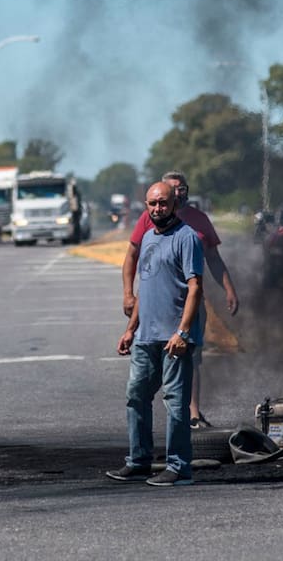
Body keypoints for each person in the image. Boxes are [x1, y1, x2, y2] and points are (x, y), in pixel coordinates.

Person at [122, 170, 238, 429]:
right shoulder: (148, 224)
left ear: (182, 194)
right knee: (140, 388)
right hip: (152, 315)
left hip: (187, 307)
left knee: (190, 359)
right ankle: (142, 453)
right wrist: (129, 297)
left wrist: (229, 289)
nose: (175, 193)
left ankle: (193, 415)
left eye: (180, 188)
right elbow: (136, 261)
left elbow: (212, 262)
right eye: (155, 201)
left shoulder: (195, 226)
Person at [108, 181, 203, 487]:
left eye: (162, 203)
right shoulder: (148, 238)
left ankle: (179, 467)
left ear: (174, 204)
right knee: (136, 396)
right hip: (145, 337)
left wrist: (183, 332)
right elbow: (144, 291)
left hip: (174, 338)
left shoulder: (187, 238)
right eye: (152, 204)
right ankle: (138, 462)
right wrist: (130, 329)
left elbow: (195, 288)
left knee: (175, 402)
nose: (157, 209)